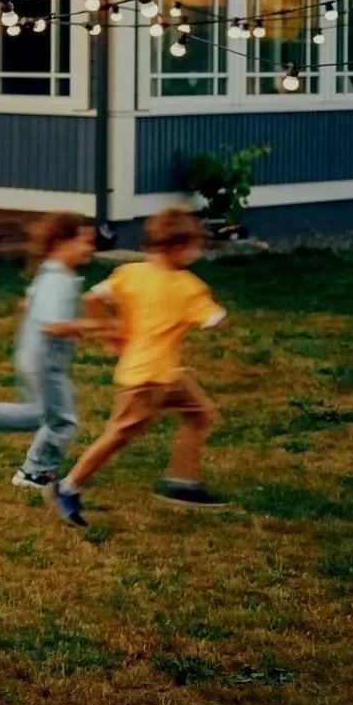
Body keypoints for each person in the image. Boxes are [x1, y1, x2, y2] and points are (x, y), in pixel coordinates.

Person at [51, 206, 232, 526]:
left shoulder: (129, 273)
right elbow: (215, 320)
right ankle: (67, 486)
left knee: (198, 414)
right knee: (119, 433)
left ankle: (183, 482)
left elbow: (92, 298)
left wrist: (108, 334)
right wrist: (216, 316)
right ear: (177, 248)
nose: (196, 252)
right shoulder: (188, 287)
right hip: (148, 379)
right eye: (193, 246)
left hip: (164, 374)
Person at [0, 213, 104, 490]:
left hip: (32, 355)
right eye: (85, 242)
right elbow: (54, 325)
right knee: (62, 421)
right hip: (46, 361)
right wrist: (90, 324)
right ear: (61, 242)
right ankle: (34, 472)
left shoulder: (50, 272)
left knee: (39, 413)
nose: (90, 248)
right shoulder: (58, 279)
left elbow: (27, 304)